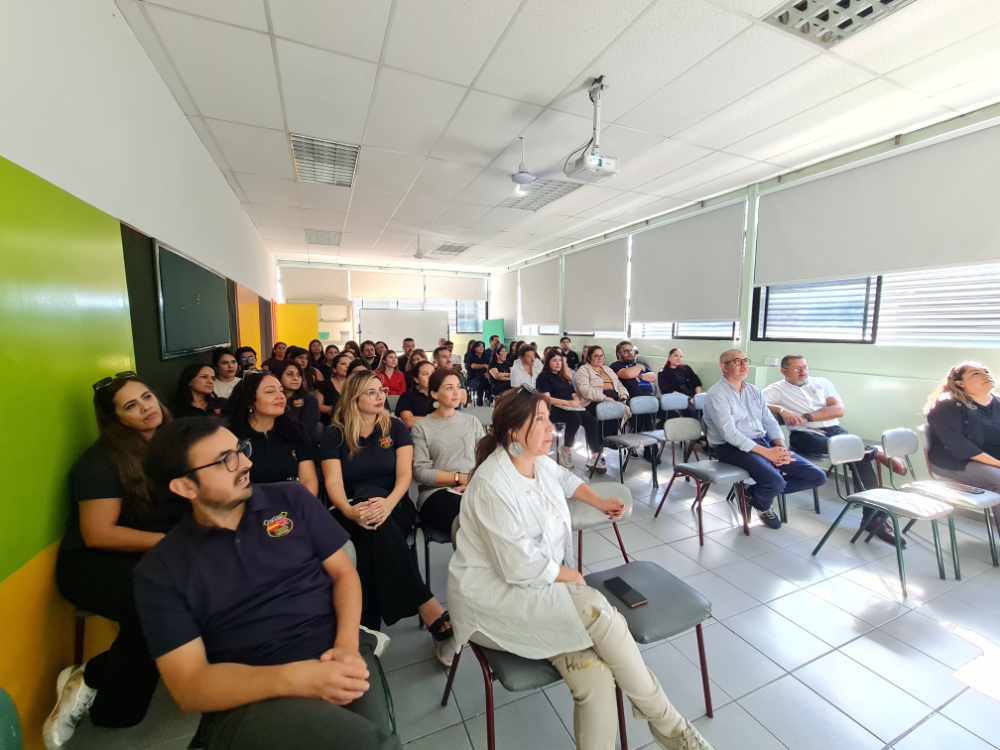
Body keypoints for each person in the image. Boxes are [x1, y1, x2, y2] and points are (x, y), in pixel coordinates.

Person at [447, 389, 714, 750]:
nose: (550, 428)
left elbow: (568, 481)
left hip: (540, 589)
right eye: (540, 420)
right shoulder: (493, 484)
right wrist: (570, 577)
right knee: (598, 611)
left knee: (596, 677)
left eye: (548, 418)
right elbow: (519, 566)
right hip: (494, 601)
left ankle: (669, 727)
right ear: (513, 432)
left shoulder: (537, 463)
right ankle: (671, 726)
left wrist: (600, 502)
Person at [135, 418, 400, 750]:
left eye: (240, 450)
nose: (246, 463)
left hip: (335, 651)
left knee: (378, 739)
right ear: (186, 487)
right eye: (226, 460)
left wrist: (347, 645)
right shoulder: (161, 571)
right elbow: (190, 686)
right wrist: (298, 679)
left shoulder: (290, 499)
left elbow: (344, 574)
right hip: (251, 696)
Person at [44, 374, 185, 748]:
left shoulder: (173, 445)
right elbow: (98, 534)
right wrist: (170, 543)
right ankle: (91, 678)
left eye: (147, 397)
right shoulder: (100, 462)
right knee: (158, 607)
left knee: (191, 595)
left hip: (149, 558)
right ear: (116, 419)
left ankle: (96, 677)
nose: (146, 409)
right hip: (92, 565)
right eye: (131, 406)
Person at [318, 371, 455, 664]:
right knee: (370, 524)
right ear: (353, 398)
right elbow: (333, 483)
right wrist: (350, 511)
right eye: (371, 392)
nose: (381, 396)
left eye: (381, 390)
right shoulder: (334, 434)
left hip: (395, 505)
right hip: (350, 509)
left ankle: (366, 628)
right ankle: (427, 607)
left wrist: (388, 504)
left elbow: (404, 477)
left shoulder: (395, 428)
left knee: (374, 525)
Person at [764, 355, 902, 545]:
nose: (803, 371)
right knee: (859, 453)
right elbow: (755, 402)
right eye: (797, 368)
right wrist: (781, 409)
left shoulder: (822, 382)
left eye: (805, 367)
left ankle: (873, 518)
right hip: (805, 435)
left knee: (860, 458)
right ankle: (873, 453)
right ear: (784, 371)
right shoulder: (776, 389)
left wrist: (807, 416)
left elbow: (838, 410)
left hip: (835, 430)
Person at [703, 350, 825, 530]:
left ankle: (754, 493)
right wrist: (768, 453)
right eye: (737, 361)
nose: (743, 365)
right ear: (723, 366)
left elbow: (769, 421)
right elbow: (729, 434)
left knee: (817, 476)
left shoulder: (753, 390)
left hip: (763, 441)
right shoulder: (717, 394)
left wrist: (780, 448)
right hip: (730, 447)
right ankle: (763, 504)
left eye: (745, 360)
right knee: (776, 482)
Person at [411, 370, 486, 536]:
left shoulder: (472, 422)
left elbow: (486, 458)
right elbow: (420, 472)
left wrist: (471, 482)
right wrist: (459, 478)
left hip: (473, 487)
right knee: (468, 515)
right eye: (449, 388)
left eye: (458, 387)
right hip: (437, 493)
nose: (456, 392)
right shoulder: (422, 427)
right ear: (434, 394)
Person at [925, 362, 1000, 515]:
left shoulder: (997, 402)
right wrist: (998, 464)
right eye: (976, 373)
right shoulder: (946, 406)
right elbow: (960, 447)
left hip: (991, 459)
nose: (985, 375)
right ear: (960, 383)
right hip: (956, 462)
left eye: (986, 371)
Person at [227, 373, 318, 496]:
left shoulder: (295, 432)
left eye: (281, 391)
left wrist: (303, 505)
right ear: (250, 400)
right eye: (270, 392)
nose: (280, 396)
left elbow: (308, 481)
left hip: (292, 503)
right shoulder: (231, 438)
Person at [575, 346, 630, 474]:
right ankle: (597, 452)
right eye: (596, 356)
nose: (599, 358)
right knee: (602, 412)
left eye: (601, 355)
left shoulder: (608, 369)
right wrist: (605, 398)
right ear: (589, 357)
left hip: (613, 401)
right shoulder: (583, 370)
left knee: (620, 408)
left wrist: (623, 395)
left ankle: (609, 442)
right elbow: (585, 391)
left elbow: (619, 385)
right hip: (592, 402)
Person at [536, 350, 592, 468]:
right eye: (554, 360)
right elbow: (547, 399)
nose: (558, 363)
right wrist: (568, 403)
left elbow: (573, 393)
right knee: (575, 418)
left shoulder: (563, 377)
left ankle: (596, 454)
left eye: (560, 361)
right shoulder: (543, 377)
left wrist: (576, 401)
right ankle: (566, 449)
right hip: (552, 409)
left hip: (568, 407)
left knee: (590, 419)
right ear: (548, 362)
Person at [271, 360, 322, 442]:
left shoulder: (309, 400)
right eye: (289, 374)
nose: (295, 378)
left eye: (299, 375)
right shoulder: (271, 398)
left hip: (297, 444)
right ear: (278, 377)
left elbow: (303, 432)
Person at [658, 348, 703, 417]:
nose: (679, 359)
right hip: (679, 400)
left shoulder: (687, 368)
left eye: (681, 356)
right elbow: (666, 391)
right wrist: (688, 399)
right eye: (676, 356)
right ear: (669, 358)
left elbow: (697, 383)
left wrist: (698, 397)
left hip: (693, 398)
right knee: (693, 412)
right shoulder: (663, 372)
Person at [396, 361, 435, 429]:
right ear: (416, 379)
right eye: (425, 374)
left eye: (433, 373)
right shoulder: (407, 397)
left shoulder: (443, 395)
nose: (431, 377)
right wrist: (438, 420)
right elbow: (409, 421)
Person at [464, 340, 490, 406]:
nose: (482, 348)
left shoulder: (486, 356)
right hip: (473, 378)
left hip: (484, 377)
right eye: (479, 347)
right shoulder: (470, 356)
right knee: (480, 384)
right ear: (475, 348)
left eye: (483, 347)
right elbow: (473, 366)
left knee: (491, 383)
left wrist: (487, 373)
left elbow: (489, 366)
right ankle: (479, 402)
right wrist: (484, 365)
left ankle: (489, 400)